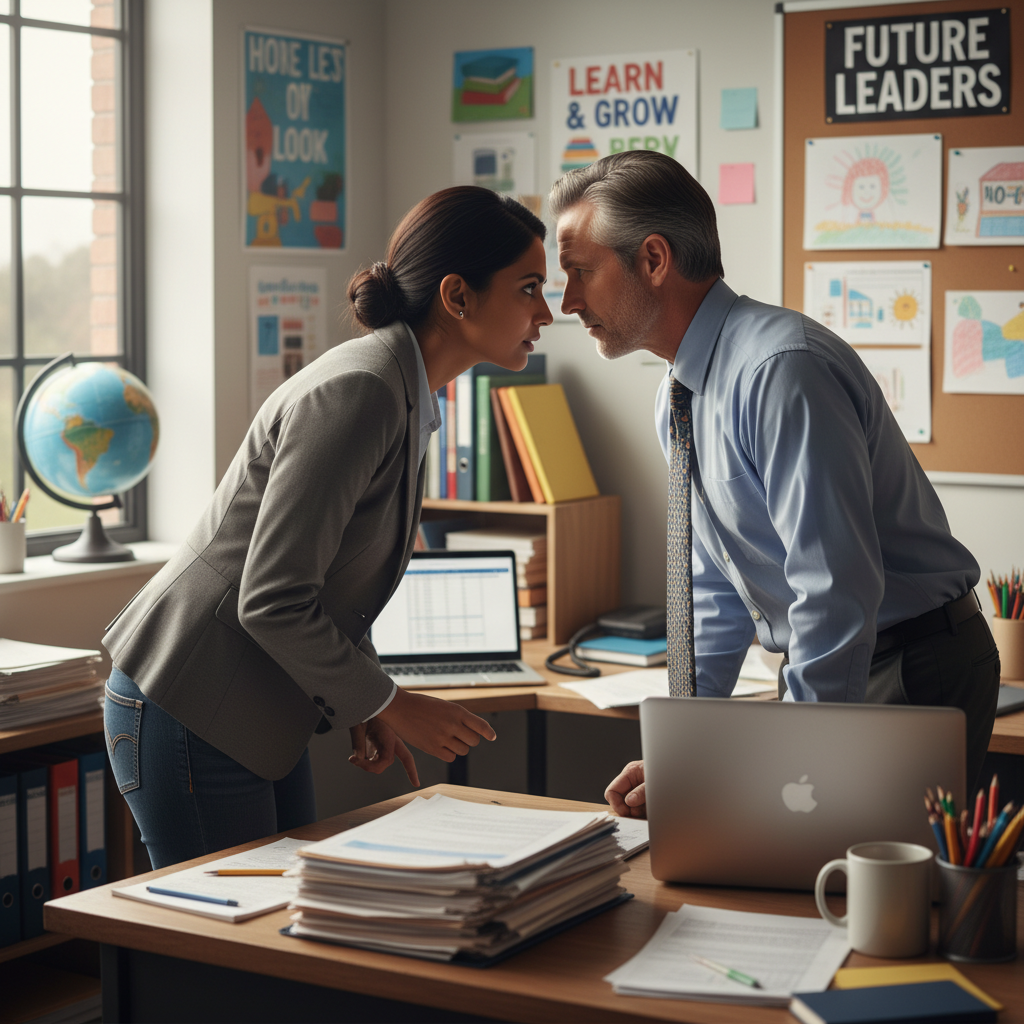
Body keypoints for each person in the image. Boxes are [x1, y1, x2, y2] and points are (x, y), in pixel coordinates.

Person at [102, 187, 553, 867]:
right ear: (458, 297)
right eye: (529, 289)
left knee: (279, 930)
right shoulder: (364, 390)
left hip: (252, 708)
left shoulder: (406, 394)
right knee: (227, 951)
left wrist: (364, 700)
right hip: (189, 700)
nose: (546, 313)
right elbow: (273, 597)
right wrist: (393, 700)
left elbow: (334, 580)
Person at [546, 150, 999, 817]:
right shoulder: (680, 394)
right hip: (849, 661)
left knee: (870, 907)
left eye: (580, 272)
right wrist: (686, 749)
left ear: (652, 260)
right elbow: (714, 594)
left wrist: (794, 753)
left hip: (910, 667)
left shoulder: (781, 371)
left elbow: (834, 590)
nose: (567, 302)